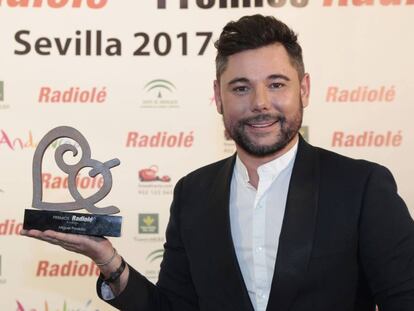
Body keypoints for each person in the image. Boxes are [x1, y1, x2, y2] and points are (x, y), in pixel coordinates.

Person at [21, 14, 414, 311]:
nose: (260, 103)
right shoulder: (193, 194)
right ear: (218, 96)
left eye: (277, 84)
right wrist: (109, 262)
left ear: (304, 89)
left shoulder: (361, 187)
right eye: (241, 88)